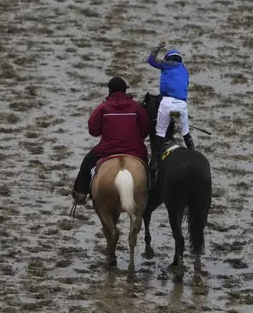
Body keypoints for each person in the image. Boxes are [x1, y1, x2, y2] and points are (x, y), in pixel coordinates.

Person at [71, 77, 151, 205]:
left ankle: (80, 194)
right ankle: (149, 192)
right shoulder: (136, 108)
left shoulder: (103, 108)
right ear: (125, 90)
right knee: (148, 168)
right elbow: (146, 128)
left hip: (107, 149)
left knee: (86, 165)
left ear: (109, 90)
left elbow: (93, 130)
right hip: (134, 149)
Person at [146, 40, 194, 173]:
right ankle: (193, 153)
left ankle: (154, 163)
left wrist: (158, 47)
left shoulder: (167, 65)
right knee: (185, 133)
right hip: (181, 106)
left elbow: (151, 60)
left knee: (160, 133)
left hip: (166, 104)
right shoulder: (185, 71)